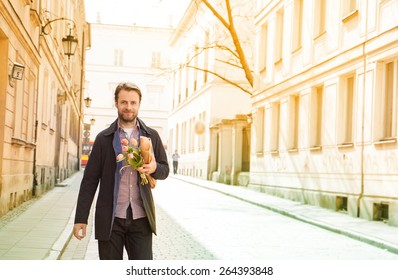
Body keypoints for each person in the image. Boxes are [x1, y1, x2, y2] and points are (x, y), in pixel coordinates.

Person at [73, 82, 169, 260]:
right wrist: (81, 218)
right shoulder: (104, 139)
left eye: (133, 103)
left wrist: (155, 168)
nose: (129, 107)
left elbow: (165, 170)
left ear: (139, 105)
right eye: (124, 102)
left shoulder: (151, 136)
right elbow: (89, 181)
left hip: (142, 219)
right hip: (111, 220)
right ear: (116, 103)